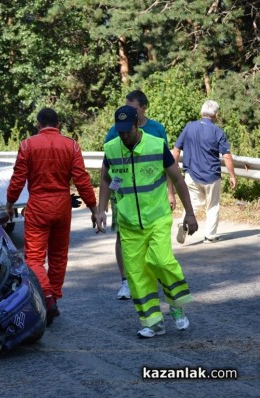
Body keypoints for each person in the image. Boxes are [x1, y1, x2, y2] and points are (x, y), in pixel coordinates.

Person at [95, 105, 198, 338]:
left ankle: (176, 306)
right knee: (136, 274)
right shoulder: (112, 149)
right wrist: (101, 210)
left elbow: (179, 181)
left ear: (136, 124)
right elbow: (104, 179)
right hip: (129, 223)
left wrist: (189, 213)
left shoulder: (155, 144)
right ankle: (153, 322)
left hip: (157, 218)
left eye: (127, 131)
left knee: (161, 262)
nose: (124, 135)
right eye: (119, 131)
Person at [5, 108, 99, 327]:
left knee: (35, 258)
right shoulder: (71, 145)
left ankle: (46, 297)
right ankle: (54, 298)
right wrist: (93, 207)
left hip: (38, 205)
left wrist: (10, 204)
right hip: (62, 206)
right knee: (58, 257)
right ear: (58, 125)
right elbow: (82, 179)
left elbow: (18, 179)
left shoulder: (28, 145)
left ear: (39, 125)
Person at [104, 90, 175, 300]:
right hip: (123, 196)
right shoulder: (115, 131)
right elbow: (108, 164)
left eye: (133, 107)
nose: (129, 111)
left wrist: (171, 193)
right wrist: (105, 200)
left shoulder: (156, 129)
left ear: (143, 108)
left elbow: (168, 165)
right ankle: (126, 280)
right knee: (122, 236)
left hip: (152, 198)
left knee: (155, 239)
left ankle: (155, 276)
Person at [172, 100, 237, 244]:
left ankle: (184, 222)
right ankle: (210, 236)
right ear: (216, 115)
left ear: (202, 112)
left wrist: (174, 170)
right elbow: (226, 155)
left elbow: (176, 150)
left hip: (191, 174)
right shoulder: (217, 131)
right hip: (211, 175)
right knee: (212, 206)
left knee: (193, 203)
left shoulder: (189, 127)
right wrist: (232, 175)